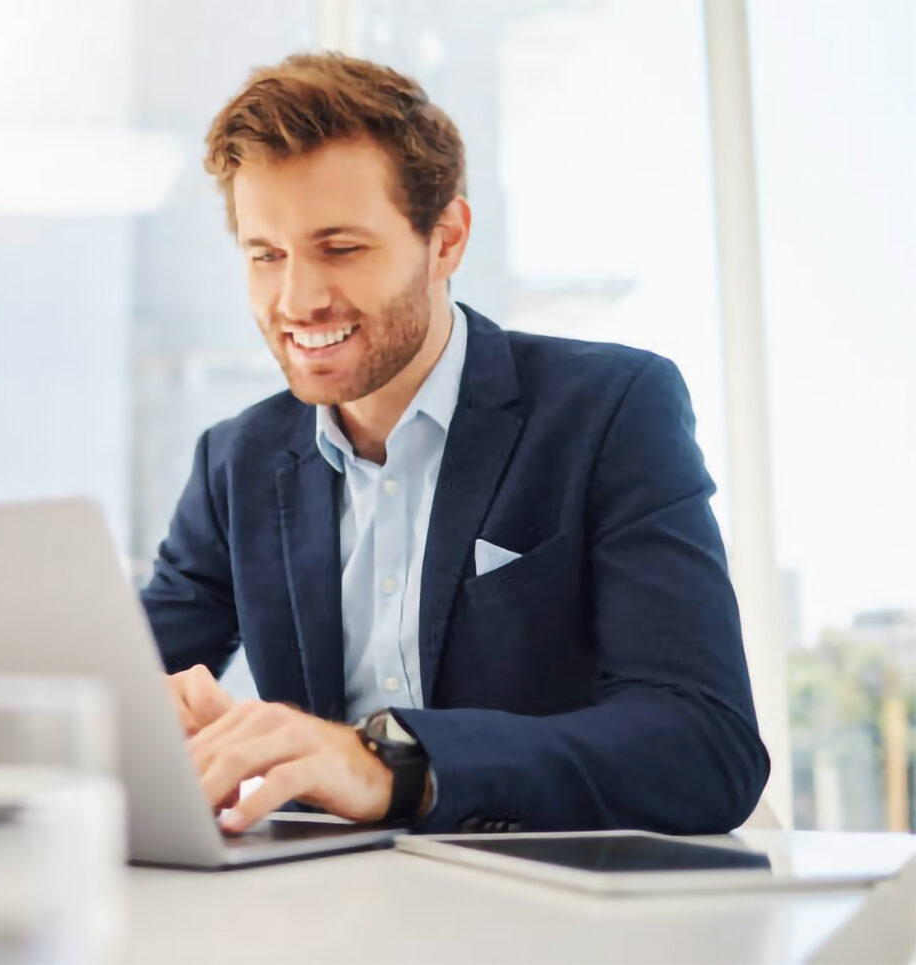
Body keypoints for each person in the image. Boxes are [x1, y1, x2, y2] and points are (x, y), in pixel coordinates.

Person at [141, 52, 769, 836]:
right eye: (267, 255)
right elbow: (119, 685)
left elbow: (705, 743)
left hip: (555, 909)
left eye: (340, 247)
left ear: (447, 240)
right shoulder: (235, 459)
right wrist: (140, 714)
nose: (296, 298)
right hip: (320, 908)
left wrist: (391, 764)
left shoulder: (611, 410)